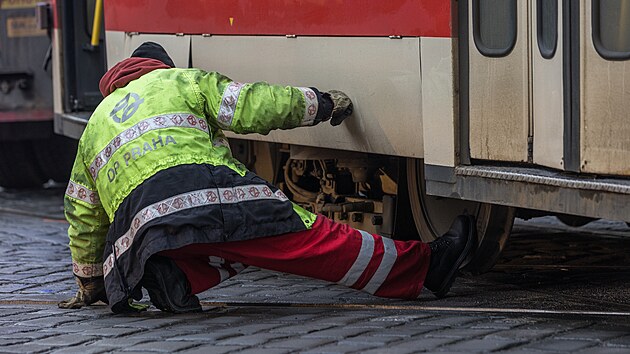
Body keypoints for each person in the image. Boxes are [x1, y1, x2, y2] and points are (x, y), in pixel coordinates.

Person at [58, 42, 477, 313]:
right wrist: (321, 105)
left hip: (141, 232)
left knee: (212, 238)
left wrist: (90, 278)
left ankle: (175, 275)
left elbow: (82, 210)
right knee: (309, 239)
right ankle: (425, 268)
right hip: (206, 188)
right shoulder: (179, 81)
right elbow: (254, 105)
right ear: (158, 67)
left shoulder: (96, 123)